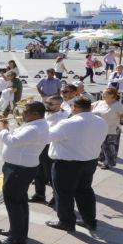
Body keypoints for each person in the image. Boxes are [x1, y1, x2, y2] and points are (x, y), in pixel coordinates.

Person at [46, 97, 108, 232]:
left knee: (63, 193)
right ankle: (90, 221)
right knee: (85, 191)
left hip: (67, 164)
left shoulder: (67, 123)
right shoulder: (101, 121)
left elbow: (46, 137)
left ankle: (66, 222)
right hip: (90, 162)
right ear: (90, 108)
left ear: (74, 108)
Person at [0, 102, 49, 244]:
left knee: (13, 203)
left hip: (19, 169)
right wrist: (7, 127)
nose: (22, 114)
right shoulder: (34, 124)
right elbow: (17, 136)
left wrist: (2, 128)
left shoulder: (34, 128)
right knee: (20, 202)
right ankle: (17, 231)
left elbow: (11, 141)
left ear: (36, 114)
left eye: (26, 112)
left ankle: (17, 238)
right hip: (20, 167)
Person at [30, 96, 69, 206]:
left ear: (59, 105)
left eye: (50, 104)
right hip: (39, 145)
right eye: (47, 103)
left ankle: (56, 197)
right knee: (38, 172)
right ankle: (39, 195)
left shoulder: (64, 116)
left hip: (50, 146)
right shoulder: (46, 113)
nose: (47, 105)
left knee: (51, 174)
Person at [92, 87, 123, 170]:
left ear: (112, 95)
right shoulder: (99, 103)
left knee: (109, 147)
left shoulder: (117, 105)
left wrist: (119, 117)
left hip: (111, 129)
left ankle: (108, 163)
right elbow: (88, 108)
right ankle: (101, 159)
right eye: (103, 93)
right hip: (98, 129)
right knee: (100, 146)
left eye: (105, 93)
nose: (103, 94)